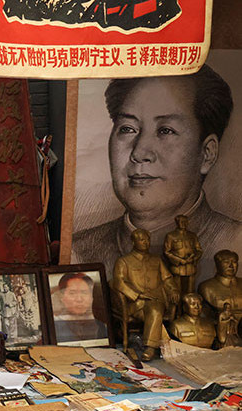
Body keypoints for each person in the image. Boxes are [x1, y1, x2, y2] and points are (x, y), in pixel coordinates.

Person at [72, 66, 242, 284]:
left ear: (207, 154)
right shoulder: (79, 252)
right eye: (128, 128)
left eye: (166, 131)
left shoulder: (234, 242)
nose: (139, 153)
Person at [111, 228, 179, 360]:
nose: (146, 242)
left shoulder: (156, 260)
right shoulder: (124, 261)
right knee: (155, 311)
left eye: (147, 239)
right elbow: (118, 283)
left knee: (155, 309)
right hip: (135, 304)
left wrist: (173, 290)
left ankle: (150, 347)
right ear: (133, 242)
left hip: (156, 300)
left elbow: (167, 279)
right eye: (142, 240)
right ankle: (152, 347)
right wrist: (137, 295)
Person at [52, 272, 108, 344]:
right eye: (72, 293)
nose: (79, 299)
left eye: (84, 292)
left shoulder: (101, 326)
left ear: (91, 297)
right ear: (62, 297)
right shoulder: (54, 326)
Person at [163, 214, 203, 301]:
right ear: (177, 223)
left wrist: (194, 258)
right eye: (181, 222)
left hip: (191, 268)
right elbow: (167, 252)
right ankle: (177, 312)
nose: (183, 224)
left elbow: (199, 250)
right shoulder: (171, 236)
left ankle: (189, 311)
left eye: (185, 222)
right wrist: (179, 260)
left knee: (190, 292)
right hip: (177, 268)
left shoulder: (192, 235)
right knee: (177, 292)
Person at [198, 250, 242, 318]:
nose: (231, 266)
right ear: (217, 264)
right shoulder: (206, 287)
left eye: (234, 262)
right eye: (226, 262)